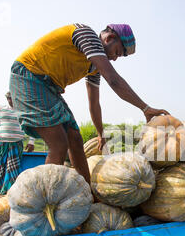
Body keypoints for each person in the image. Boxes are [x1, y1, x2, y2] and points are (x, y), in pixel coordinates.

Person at [9, 23, 169, 184]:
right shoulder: (87, 35)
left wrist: (100, 133)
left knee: (75, 139)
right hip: (29, 75)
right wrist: (145, 108)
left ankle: (86, 190)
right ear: (110, 38)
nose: (114, 58)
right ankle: (44, 196)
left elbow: (94, 103)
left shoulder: (93, 67)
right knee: (59, 143)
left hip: (50, 87)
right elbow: (113, 80)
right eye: (117, 52)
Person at [0, 92, 35, 194]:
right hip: (1, 143)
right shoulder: (0, 109)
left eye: (14, 98)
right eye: (9, 98)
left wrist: (31, 142)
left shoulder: (24, 111)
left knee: (13, 170)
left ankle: (9, 193)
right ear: (7, 99)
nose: (11, 101)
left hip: (16, 143)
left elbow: (31, 127)